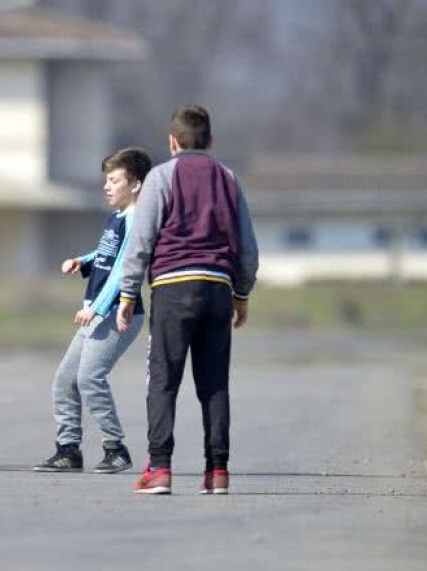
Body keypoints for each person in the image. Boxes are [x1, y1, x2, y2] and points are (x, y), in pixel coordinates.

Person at [117, 105, 259, 496]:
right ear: (210, 141)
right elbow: (247, 248)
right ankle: (217, 472)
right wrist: (241, 293)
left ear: (172, 141)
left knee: (163, 380)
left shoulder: (161, 177)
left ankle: (159, 469)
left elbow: (141, 240)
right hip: (217, 289)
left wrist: (128, 292)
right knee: (214, 384)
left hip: (173, 288)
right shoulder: (228, 179)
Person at [34, 147, 153, 475]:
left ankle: (116, 449)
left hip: (118, 312)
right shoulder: (117, 218)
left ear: (136, 184)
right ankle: (68, 450)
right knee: (65, 380)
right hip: (97, 310)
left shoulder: (139, 220)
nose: (107, 186)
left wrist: (97, 308)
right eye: (106, 180)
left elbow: (125, 270)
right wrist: (82, 261)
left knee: (90, 378)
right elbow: (105, 255)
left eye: (114, 180)